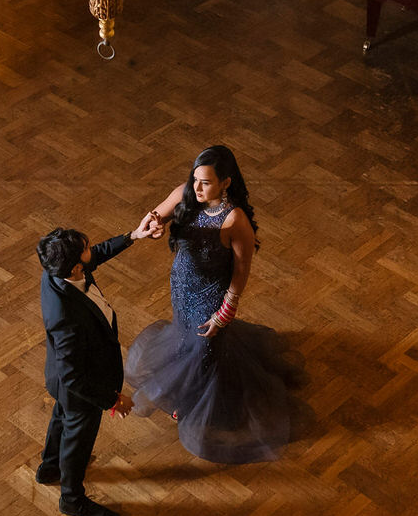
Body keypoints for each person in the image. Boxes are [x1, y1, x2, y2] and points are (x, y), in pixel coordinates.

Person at [125, 145, 299, 464]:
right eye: (195, 180)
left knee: (206, 350)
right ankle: (186, 391)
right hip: (182, 287)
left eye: (205, 182)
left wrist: (224, 313)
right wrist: (150, 227)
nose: (197, 188)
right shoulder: (186, 194)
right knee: (182, 339)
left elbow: (242, 270)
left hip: (210, 297)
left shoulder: (235, 220)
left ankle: (201, 403)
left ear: (226, 183)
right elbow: (157, 214)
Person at [36, 218, 155, 516]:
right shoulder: (65, 317)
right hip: (81, 390)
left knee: (61, 417)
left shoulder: (57, 271)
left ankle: (49, 466)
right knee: (78, 442)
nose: (92, 250)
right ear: (75, 269)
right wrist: (113, 400)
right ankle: (72, 499)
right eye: (86, 250)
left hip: (65, 382)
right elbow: (75, 376)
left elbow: (96, 254)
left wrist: (133, 236)